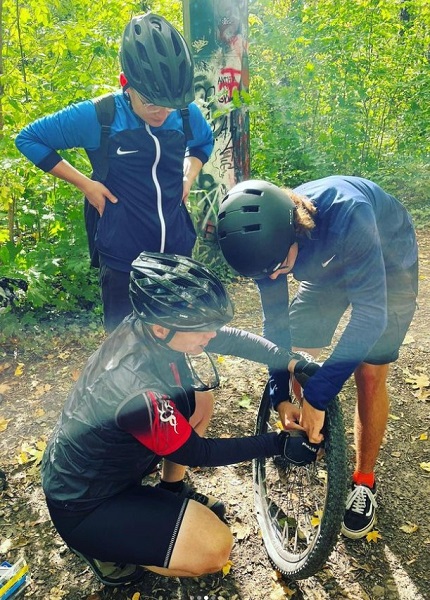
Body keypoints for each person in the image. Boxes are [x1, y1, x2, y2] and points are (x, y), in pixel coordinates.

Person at [41, 251, 320, 586]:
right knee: (215, 548)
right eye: (203, 330)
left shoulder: (151, 328)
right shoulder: (134, 388)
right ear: (161, 328)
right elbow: (197, 452)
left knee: (200, 399)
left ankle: (171, 489)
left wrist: (290, 361)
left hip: (106, 470)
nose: (212, 336)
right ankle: (107, 549)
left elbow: (229, 339)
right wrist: (278, 444)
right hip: (86, 505)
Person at [217, 176, 418, 540]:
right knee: (299, 357)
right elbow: (276, 327)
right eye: (264, 273)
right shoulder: (266, 250)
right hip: (325, 268)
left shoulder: (348, 216)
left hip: (388, 261)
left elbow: (371, 317)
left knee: (369, 373)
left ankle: (364, 481)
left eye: (278, 267)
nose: (273, 277)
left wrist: (319, 394)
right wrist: (280, 396)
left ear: (295, 231)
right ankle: (312, 431)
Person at [15, 12, 214, 334]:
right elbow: (29, 139)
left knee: (177, 338)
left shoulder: (184, 112)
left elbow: (203, 143)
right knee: (124, 345)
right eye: (151, 103)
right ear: (126, 83)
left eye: (170, 103)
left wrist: (188, 176)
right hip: (124, 258)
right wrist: (86, 184)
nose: (163, 113)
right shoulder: (100, 115)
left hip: (177, 249)